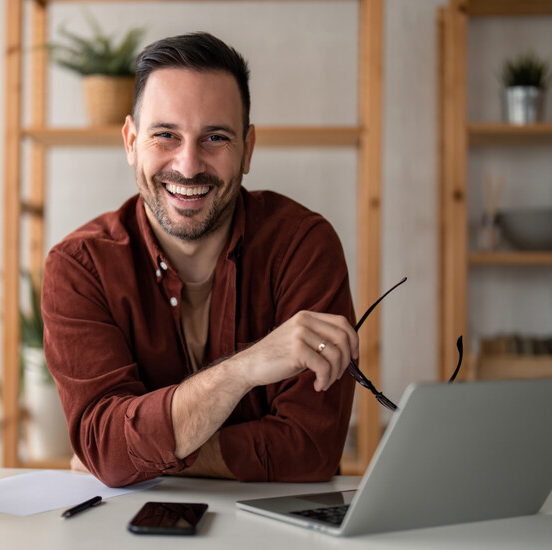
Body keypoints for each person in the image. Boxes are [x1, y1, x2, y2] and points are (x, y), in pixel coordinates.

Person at [41, 32, 358, 488]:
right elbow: (108, 448)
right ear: (131, 141)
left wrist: (139, 454)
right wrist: (244, 368)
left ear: (247, 149)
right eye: (165, 135)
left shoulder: (304, 247)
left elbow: (311, 449)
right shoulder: (79, 267)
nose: (188, 166)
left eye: (215, 137)